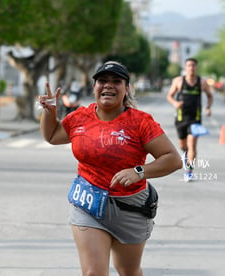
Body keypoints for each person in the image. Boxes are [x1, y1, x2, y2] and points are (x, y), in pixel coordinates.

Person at [38, 61, 182, 275]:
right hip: (89, 203)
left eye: (117, 81)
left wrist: (139, 172)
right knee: (93, 273)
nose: (108, 85)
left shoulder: (140, 122)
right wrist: (50, 112)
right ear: (94, 86)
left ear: (127, 89)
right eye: (102, 81)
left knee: (128, 271)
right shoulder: (80, 117)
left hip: (130, 206)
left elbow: (173, 159)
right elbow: (52, 136)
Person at [166, 58, 213, 182]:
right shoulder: (178, 81)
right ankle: (186, 155)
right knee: (183, 145)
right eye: (189, 65)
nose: (191, 68)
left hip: (195, 119)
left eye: (193, 65)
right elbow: (169, 96)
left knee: (192, 144)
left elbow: (209, 96)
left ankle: (189, 171)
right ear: (185, 67)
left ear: (196, 67)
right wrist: (175, 103)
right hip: (181, 118)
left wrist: (208, 107)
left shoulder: (202, 82)